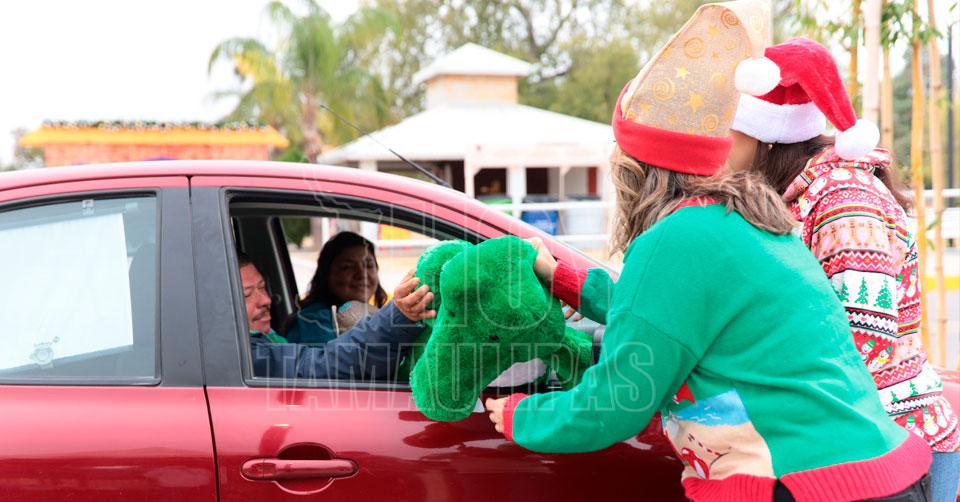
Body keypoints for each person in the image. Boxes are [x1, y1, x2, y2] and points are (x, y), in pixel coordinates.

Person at [484, 2, 932, 501]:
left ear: (637, 170)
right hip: (875, 475)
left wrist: (520, 414)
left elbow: (618, 402)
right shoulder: (746, 220)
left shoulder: (675, 239)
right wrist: (565, 279)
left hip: (806, 484)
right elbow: (668, 318)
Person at [727, 37, 958, 502]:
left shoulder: (842, 200)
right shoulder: (803, 194)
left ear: (765, 134)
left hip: (892, 447)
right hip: (855, 444)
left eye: (728, 127)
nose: (720, 141)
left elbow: (863, 342)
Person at [240, 253, 434, 380]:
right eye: (247, 294)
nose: (266, 300)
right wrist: (395, 319)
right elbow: (324, 365)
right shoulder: (247, 356)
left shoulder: (265, 338)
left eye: (263, 288)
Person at [284, 231, 389, 344]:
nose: (362, 274)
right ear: (326, 274)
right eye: (347, 267)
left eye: (369, 265)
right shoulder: (314, 322)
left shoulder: (372, 315)